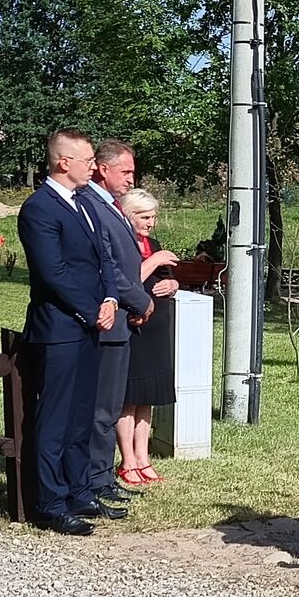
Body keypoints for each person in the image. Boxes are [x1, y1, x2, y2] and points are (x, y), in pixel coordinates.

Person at [17, 128, 121, 535]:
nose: (93, 166)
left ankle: (80, 490)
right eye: (88, 160)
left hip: (91, 324)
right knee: (56, 418)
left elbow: (104, 259)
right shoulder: (39, 209)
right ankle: (51, 502)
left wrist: (110, 299)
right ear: (64, 162)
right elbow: (53, 271)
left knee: (81, 414)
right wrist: (91, 310)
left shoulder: (85, 204)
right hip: (59, 328)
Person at [79, 140, 154, 505]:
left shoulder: (111, 205)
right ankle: (95, 479)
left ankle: (102, 476)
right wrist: (140, 299)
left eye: (133, 172)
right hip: (108, 319)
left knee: (109, 406)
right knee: (102, 408)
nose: (131, 178)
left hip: (122, 320)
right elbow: (107, 265)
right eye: (125, 171)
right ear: (103, 169)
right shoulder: (91, 205)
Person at [116, 189, 179, 484]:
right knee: (129, 398)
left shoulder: (153, 245)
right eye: (144, 217)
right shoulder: (121, 243)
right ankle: (127, 461)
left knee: (147, 399)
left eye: (153, 217)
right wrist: (154, 261)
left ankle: (143, 458)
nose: (150, 223)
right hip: (133, 330)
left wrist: (173, 285)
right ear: (128, 216)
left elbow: (167, 278)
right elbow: (124, 283)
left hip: (156, 332)